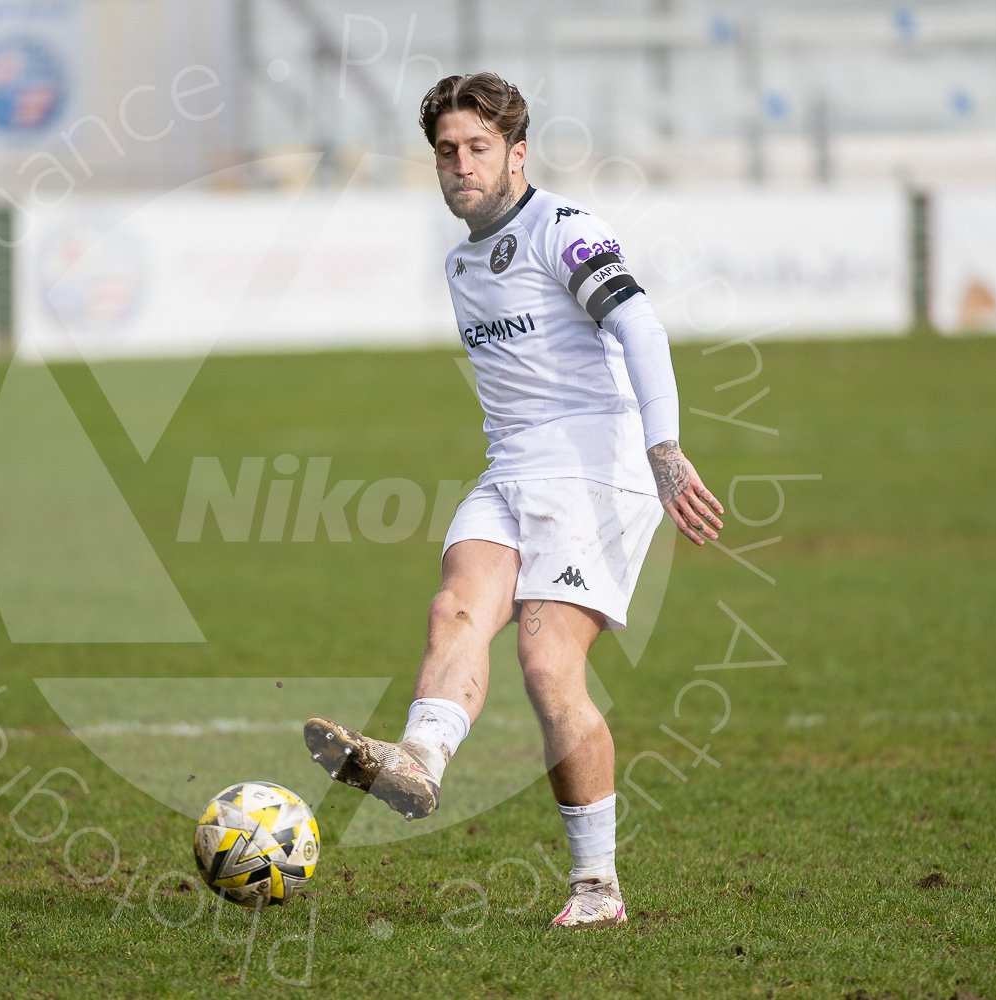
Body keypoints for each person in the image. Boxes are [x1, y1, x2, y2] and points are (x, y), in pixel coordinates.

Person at [303, 72, 724, 930]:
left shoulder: (562, 230)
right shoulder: (461, 259)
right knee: (456, 606)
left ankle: (597, 889)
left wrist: (665, 449)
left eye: (479, 148)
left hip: (598, 469)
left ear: (516, 152)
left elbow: (639, 325)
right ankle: (418, 761)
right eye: (447, 151)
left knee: (545, 665)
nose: (462, 164)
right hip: (512, 470)